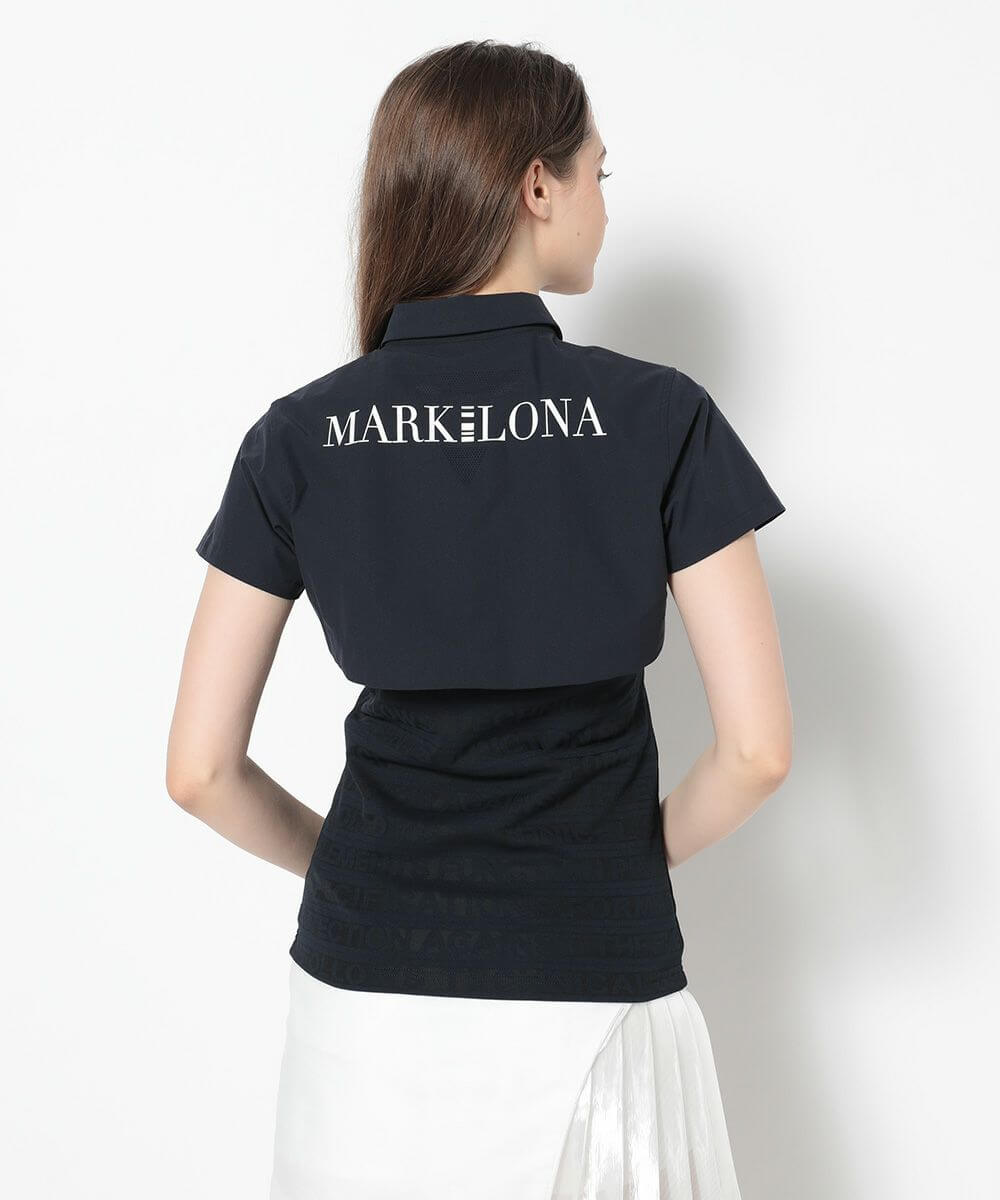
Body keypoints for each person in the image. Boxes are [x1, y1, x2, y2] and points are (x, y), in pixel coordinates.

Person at [167, 38, 793, 1200]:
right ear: (536, 185)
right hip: (592, 975)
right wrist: (617, 859)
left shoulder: (297, 436)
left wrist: (352, 868)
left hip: (363, 999)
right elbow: (756, 752)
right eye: (599, 172)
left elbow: (200, 771)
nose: (605, 202)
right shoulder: (659, 416)